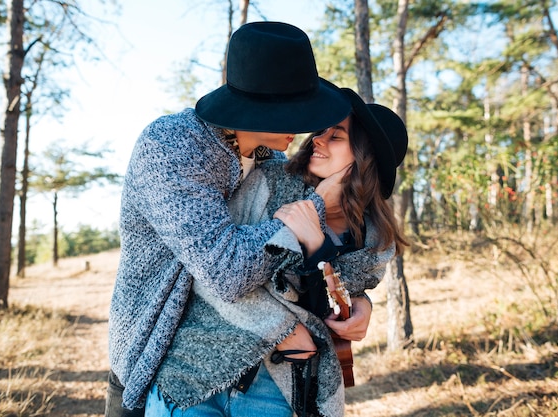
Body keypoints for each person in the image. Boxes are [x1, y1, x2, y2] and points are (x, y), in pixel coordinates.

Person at [105, 21, 373, 417]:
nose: (305, 129)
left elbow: (301, 267)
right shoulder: (172, 146)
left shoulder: (270, 159)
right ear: (258, 108)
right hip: (160, 354)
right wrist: (312, 207)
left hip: (253, 367)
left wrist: (357, 301)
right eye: (296, 113)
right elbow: (225, 271)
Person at [144, 88, 409, 417]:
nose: (318, 139)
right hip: (198, 369)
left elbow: (328, 309)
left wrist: (317, 246)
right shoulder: (270, 181)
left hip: (276, 384)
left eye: (336, 136)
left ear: (364, 157)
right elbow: (210, 269)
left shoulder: (372, 240)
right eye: (321, 130)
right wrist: (280, 327)